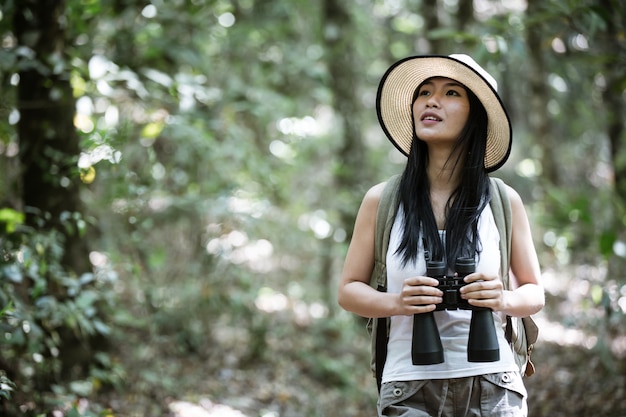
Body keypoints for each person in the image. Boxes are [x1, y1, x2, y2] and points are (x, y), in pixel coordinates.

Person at [338, 54, 545, 417]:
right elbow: (348, 290)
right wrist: (397, 303)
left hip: (493, 383)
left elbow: (534, 292)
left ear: (476, 115)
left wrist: (502, 298)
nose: (431, 101)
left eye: (451, 93)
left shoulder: (502, 200)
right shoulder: (382, 201)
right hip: (408, 385)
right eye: (423, 93)